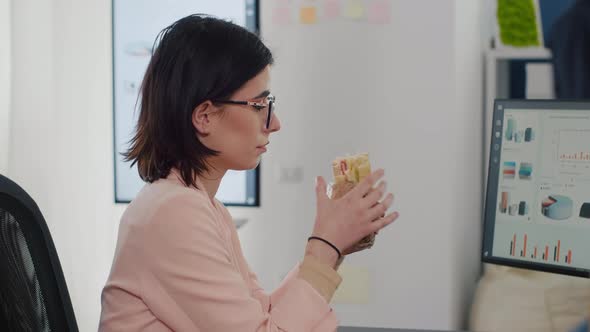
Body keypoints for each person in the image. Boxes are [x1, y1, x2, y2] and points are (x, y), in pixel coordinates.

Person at [99, 14, 399, 331]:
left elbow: (263, 313)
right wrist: (326, 245)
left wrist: (335, 245)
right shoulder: (173, 213)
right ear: (205, 116)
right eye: (259, 105)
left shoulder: (203, 208)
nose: (274, 123)